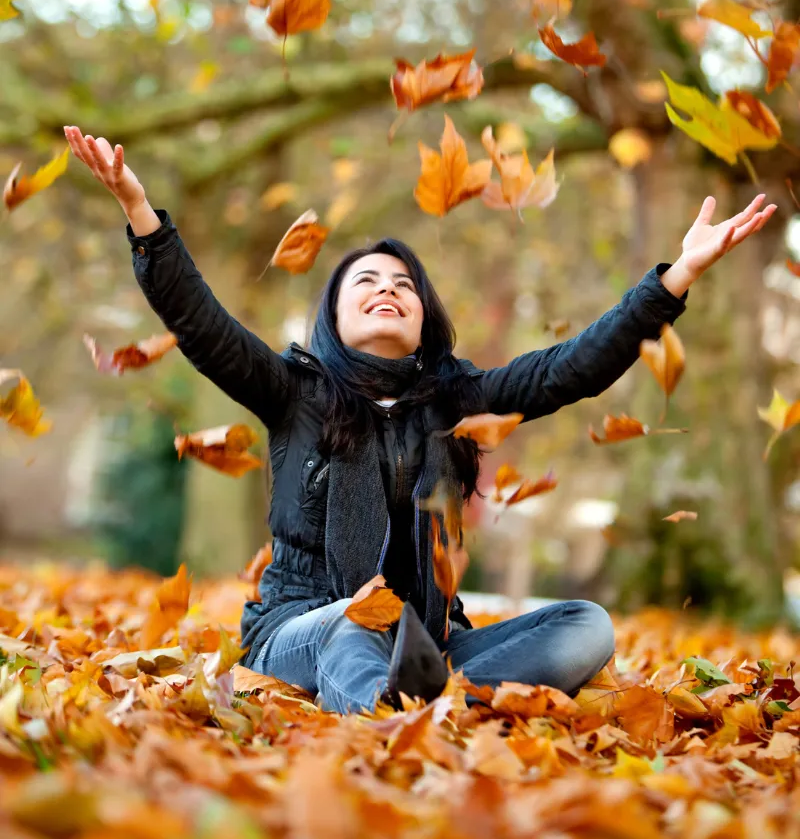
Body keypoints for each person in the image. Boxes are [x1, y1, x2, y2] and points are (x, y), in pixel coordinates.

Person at [64, 124, 776, 715]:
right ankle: (399, 718)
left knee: (585, 625)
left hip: (428, 639)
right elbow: (202, 323)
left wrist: (674, 277)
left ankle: (429, 702)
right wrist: (140, 213)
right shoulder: (291, 392)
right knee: (351, 626)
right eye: (366, 282)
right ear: (334, 319)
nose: (387, 291)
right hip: (304, 627)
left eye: (403, 285)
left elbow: (569, 369)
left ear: (422, 316)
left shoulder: (456, 401)